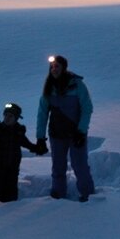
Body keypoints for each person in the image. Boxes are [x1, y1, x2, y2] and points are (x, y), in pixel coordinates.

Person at [34, 54, 95, 202]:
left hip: (76, 134)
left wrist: (81, 131)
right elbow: (42, 113)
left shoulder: (77, 85)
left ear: (64, 68)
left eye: (57, 66)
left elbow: (87, 108)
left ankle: (88, 195)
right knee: (58, 167)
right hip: (57, 133)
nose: (54, 69)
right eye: (52, 67)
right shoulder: (49, 88)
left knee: (79, 165)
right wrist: (40, 137)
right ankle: (58, 195)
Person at [0, 102, 40, 202]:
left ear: (16, 118)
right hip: (0, 164)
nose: (7, 118)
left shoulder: (18, 132)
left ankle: (12, 204)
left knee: (11, 185)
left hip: (13, 165)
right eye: (5, 115)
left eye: (10, 116)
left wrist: (36, 148)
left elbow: (26, 143)